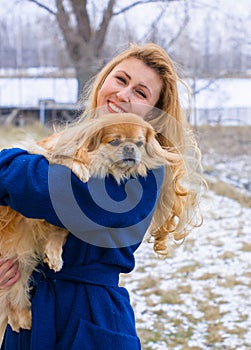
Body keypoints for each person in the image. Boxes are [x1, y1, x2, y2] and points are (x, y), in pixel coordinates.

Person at [0, 43, 204, 349]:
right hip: (31, 315)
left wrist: (8, 163)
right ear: (104, 79)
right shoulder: (76, 142)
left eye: (141, 93)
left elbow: (44, 190)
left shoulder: (143, 169)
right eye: (120, 80)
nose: (123, 94)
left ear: (152, 114)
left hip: (88, 320)